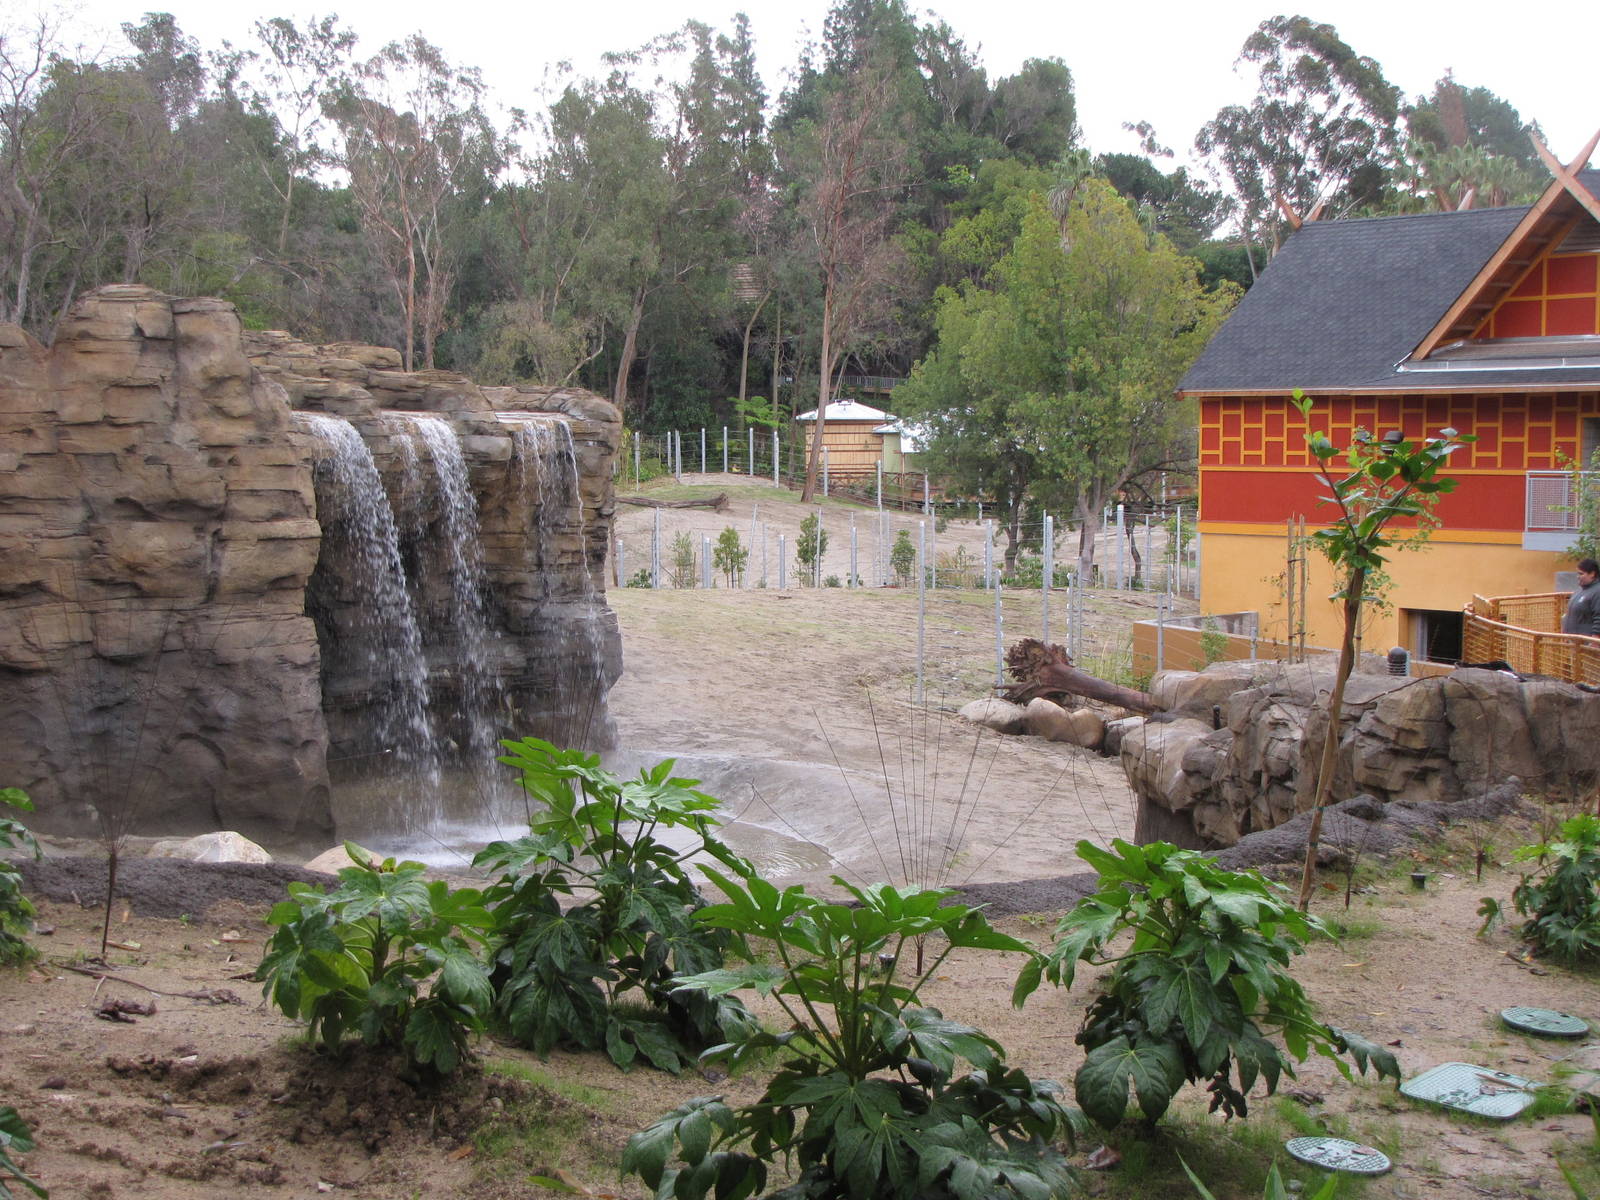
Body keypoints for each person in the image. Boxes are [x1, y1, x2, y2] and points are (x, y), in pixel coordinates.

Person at [1563, 558, 1600, 637]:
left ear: (1592, 574)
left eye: (1581, 574)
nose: (1578, 577)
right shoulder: (1579, 590)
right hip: (1574, 642)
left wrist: (1595, 641)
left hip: (1587, 644)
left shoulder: (1597, 592)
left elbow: (1598, 618)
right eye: (1577, 574)